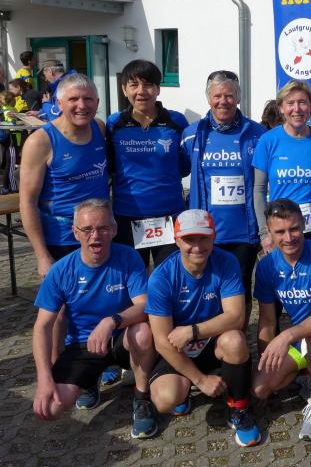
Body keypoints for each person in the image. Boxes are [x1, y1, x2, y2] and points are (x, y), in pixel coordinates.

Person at [31, 199, 158, 439]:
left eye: (103, 228)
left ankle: (142, 398)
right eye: (87, 229)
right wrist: (44, 379)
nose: (95, 236)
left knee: (143, 332)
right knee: (51, 408)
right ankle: (89, 381)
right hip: (82, 346)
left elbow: (145, 306)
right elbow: (42, 328)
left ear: (114, 229)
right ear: (75, 232)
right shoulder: (60, 270)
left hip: (120, 338)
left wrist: (111, 321)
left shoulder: (129, 257)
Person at [147, 209, 261, 447]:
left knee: (235, 340)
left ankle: (239, 407)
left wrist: (192, 331)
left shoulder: (226, 262)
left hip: (211, 341)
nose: (197, 246)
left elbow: (236, 317)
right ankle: (186, 386)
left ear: (214, 237)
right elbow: (162, 342)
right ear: (177, 240)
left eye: (204, 238)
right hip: (178, 347)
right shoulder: (161, 277)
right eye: (189, 239)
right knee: (165, 399)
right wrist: (200, 380)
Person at [252, 199, 311, 440]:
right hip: (300, 339)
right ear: (269, 232)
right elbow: (267, 321)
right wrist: (266, 358)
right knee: (260, 388)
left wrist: (286, 336)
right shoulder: (267, 266)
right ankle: (309, 375)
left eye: (294, 229)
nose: (289, 237)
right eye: (280, 232)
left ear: (303, 224)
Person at [183, 70, 266, 314]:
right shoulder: (191, 134)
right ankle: (213, 334)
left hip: (243, 231)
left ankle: (238, 336)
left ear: (238, 98)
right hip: (206, 229)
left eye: (229, 95)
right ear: (208, 98)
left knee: (240, 288)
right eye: (217, 96)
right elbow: (178, 169)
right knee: (207, 287)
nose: (223, 101)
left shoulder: (258, 133)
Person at [20, 73, 109, 281]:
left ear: (97, 102)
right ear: (59, 103)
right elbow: (27, 202)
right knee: (64, 300)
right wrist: (42, 256)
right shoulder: (40, 142)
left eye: (88, 99)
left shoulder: (99, 127)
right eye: (73, 99)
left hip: (101, 235)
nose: (81, 105)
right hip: (61, 240)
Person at [107, 59, 190, 268]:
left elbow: (184, 166)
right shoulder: (114, 123)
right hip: (126, 216)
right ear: (124, 89)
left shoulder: (176, 122)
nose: (141, 91)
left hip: (169, 215)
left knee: (169, 276)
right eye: (134, 85)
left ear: (158, 89)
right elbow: (110, 166)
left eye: (148, 85)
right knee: (133, 277)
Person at [253, 80, 311, 249]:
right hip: (282, 228)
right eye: (290, 103)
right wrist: (264, 232)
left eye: (302, 102)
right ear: (281, 108)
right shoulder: (268, 141)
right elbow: (259, 190)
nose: (297, 109)